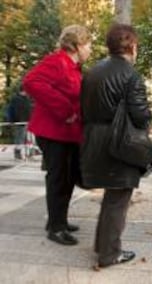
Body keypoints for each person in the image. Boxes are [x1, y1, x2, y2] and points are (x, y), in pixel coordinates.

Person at [80, 24, 152, 267]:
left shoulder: (92, 72)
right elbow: (140, 115)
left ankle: (102, 247)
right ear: (132, 45)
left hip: (94, 139)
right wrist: (148, 116)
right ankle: (110, 254)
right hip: (120, 142)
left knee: (112, 197)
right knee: (118, 198)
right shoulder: (131, 74)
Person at [22, 25, 92, 246]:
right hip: (53, 132)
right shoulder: (57, 61)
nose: (90, 49)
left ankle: (59, 219)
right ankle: (55, 228)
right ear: (78, 45)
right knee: (58, 179)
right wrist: (65, 110)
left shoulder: (74, 67)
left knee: (67, 178)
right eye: (88, 44)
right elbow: (31, 82)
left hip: (68, 134)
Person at [7, 84, 32, 159]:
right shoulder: (15, 98)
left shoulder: (27, 99)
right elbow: (10, 109)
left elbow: (29, 110)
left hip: (27, 121)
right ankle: (17, 153)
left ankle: (30, 153)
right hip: (19, 121)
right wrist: (11, 120)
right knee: (19, 138)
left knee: (28, 138)